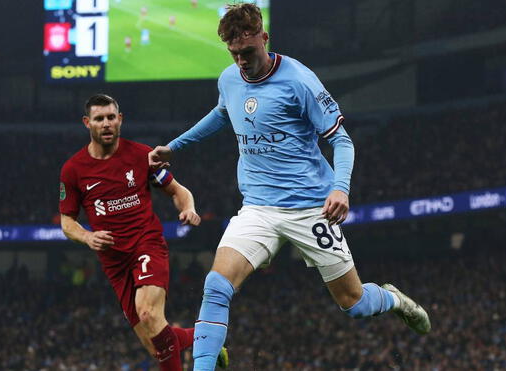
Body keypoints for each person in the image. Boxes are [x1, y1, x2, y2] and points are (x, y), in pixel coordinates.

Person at [148, 4, 431, 370]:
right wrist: (174, 147)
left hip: (312, 207)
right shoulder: (230, 79)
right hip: (258, 209)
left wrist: (340, 189)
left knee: (355, 304)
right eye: (234, 54)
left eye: (247, 52)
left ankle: (393, 299)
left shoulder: (299, 80)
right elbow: (222, 113)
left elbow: (342, 140)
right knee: (216, 286)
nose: (241, 62)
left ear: (264, 38)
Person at [60, 94, 226, 370]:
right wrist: (88, 236)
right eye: (99, 119)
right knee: (155, 344)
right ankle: (205, 338)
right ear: (87, 123)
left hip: (145, 244)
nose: (106, 124)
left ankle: (206, 339)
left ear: (120, 120)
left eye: (111, 117)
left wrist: (188, 208)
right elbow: (67, 223)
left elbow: (178, 190)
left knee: (149, 315)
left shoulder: (140, 155)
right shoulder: (73, 170)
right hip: (113, 261)